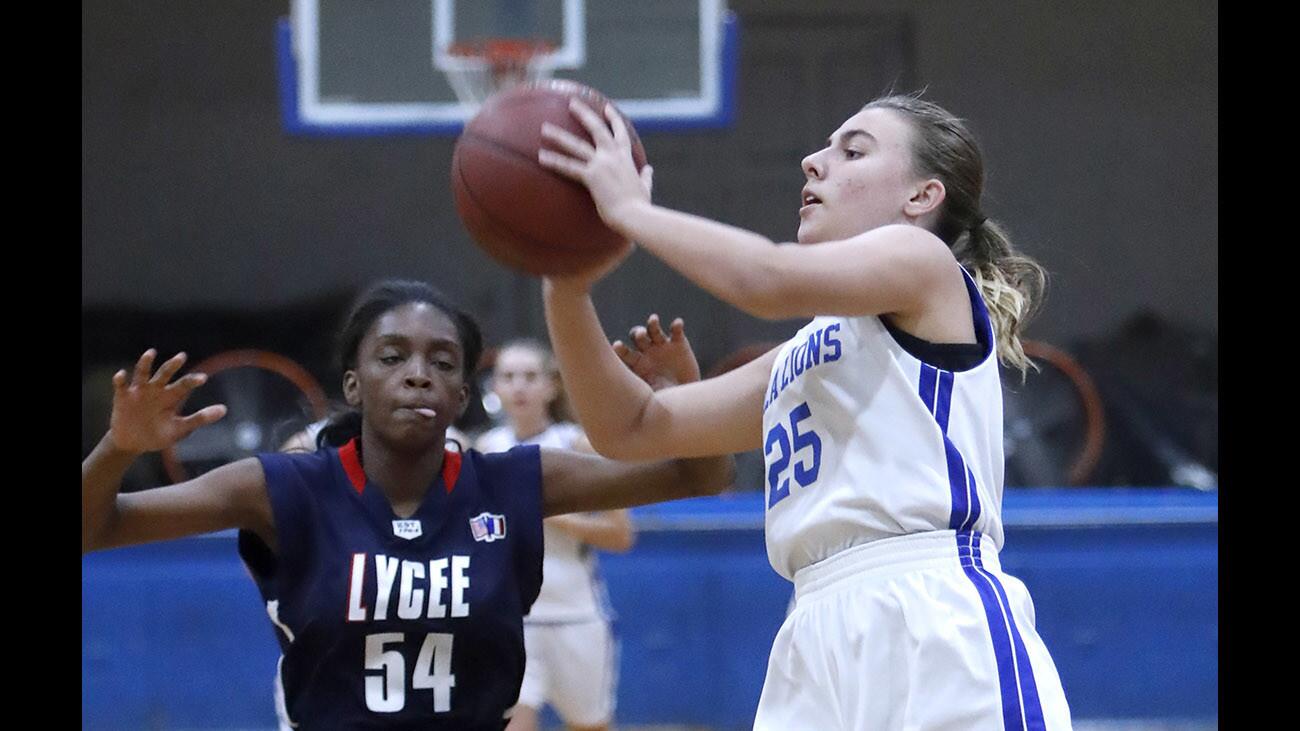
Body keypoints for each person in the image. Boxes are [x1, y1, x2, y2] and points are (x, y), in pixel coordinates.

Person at [536, 92, 1074, 728]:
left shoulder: (923, 261)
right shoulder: (805, 352)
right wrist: (564, 283)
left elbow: (766, 281)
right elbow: (631, 428)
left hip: (930, 612)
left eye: (853, 150)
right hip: (812, 628)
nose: (813, 162)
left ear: (921, 197)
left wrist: (628, 211)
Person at [82, 279, 733, 731]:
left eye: (443, 361)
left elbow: (699, 476)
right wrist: (117, 447)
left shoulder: (514, 482)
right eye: (392, 357)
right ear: (353, 384)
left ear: (461, 396)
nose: (418, 372)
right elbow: (97, 528)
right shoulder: (279, 487)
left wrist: (685, 398)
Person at [477, 338, 640, 731]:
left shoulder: (575, 444)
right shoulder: (487, 449)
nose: (518, 386)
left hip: (575, 615)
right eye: (509, 377)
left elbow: (621, 534)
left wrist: (551, 516)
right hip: (514, 619)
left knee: (590, 724)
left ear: (551, 386)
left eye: (530, 377)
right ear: (495, 388)